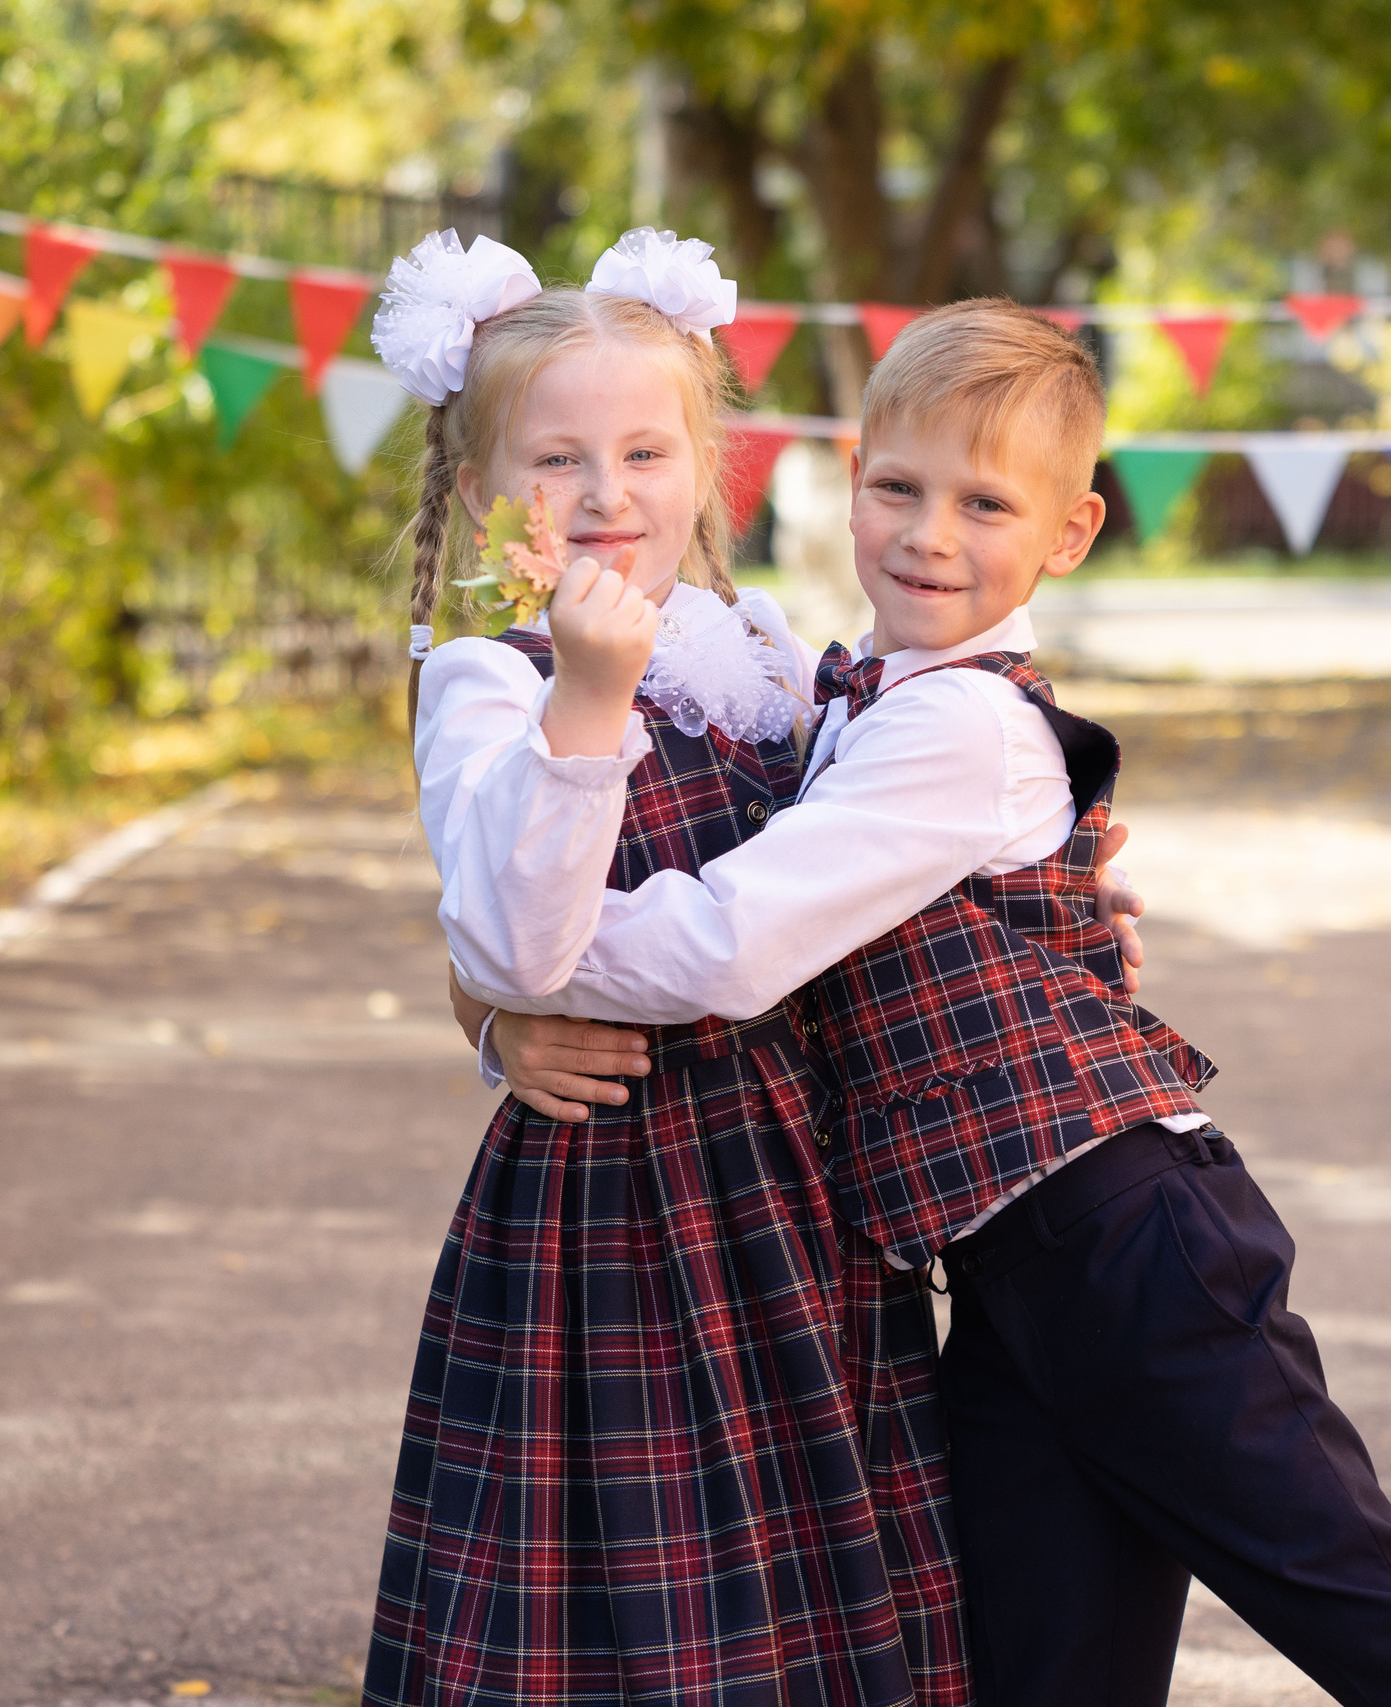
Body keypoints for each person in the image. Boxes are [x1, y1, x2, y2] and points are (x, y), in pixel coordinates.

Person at [457, 301, 1391, 1707]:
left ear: (1067, 535)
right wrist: (487, 998)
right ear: (846, 480)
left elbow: (726, 946)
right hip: (1006, 1279)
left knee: (1361, 1596)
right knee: (1036, 1666)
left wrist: (510, 969)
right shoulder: (838, 697)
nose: (929, 536)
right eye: (898, 488)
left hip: (1130, 1242)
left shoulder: (959, 724)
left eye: (984, 504)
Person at [363, 226, 971, 1707]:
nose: (604, 495)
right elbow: (511, 935)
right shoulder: (489, 682)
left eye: (645, 452)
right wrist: (589, 694)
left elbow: (869, 855)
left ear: (706, 469)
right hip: (618, 1210)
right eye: (556, 461)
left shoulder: (767, 658)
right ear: (480, 489)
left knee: (822, 1549)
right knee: (635, 1580)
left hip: (804, 1187)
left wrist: (1062, 890)